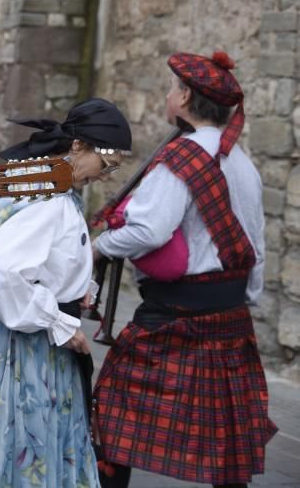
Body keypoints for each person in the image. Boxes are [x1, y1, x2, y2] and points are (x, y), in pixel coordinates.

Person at [93, 52, 276, 488]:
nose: (168, 95)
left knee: (113, 411)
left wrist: (100, 247)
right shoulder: (243, 163)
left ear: (186, 96)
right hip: (230, 319)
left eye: (172, 88)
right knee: (227, 436)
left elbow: (149, 231)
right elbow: (258, 245)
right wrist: (242, 299)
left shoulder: (179, 159)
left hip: (172, 318)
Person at [0, 98, 132, 488]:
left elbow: (39, 257)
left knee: (7, 456)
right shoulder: (50, 196)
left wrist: (74, 288)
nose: (108, 174)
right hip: (20, 353)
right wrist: (60, 323)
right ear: (79, 146)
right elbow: (2, 269)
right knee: (21, 459)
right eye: (108, 162)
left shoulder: (36, 179)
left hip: (14, 345)